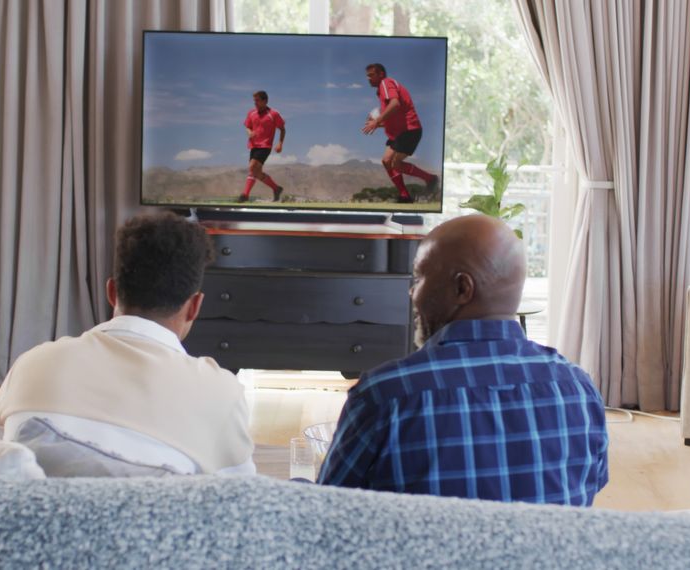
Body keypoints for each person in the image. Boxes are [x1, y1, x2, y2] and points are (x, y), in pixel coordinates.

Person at [318, 215, 609, 506]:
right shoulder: (579, 388)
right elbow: (590, 486)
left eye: (418, 279)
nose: (411, 293)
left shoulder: (387, 394)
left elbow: (329, 509)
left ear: (462, 289)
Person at [0, 212, 254, 475]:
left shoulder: (32, 364)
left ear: (111, 292)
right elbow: (239, 501)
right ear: (194, 307)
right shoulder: (221, 393)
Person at [361, 63, 439, 204]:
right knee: (386, 161)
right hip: (399, 132)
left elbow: (395, 104)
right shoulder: (381, 91)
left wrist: (376, 120)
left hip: (410, 130)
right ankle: (404, 196)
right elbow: (395, 114)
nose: (369, 78)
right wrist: (378, 124)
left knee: (395, 163)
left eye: (371, 75)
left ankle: (430, 179)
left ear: (381, 74)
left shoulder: (386, 83)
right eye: (367, 76)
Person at [239, 91, 285, 203]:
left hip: (265, 146)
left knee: (252, 167)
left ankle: (245, 195)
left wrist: (280, 143)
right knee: (256, 172)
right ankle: (276, 188)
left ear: (265, 101)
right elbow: (247, 126)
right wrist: (249, 132)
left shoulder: (273, 114)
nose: (255, 103)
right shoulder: (251, 113)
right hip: (253, 146)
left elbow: (282, 129)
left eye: (257, 100)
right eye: (254, 100)